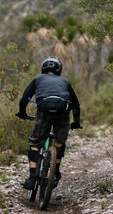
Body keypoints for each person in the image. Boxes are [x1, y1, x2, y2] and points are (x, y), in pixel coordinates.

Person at [16, 56, 81, 190]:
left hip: (43, 113)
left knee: (35, 143)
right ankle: (55, 172)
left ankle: (32, 178)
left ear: (43, 68)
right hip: (62, 114)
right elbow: (76, 104)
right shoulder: (65, 81)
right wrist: (76, 122)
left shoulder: (38, 79)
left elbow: (24, 98)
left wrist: (22, 112)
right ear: (59, 70)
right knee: (59, 143)